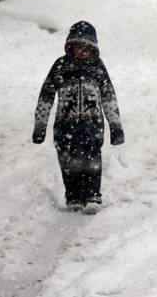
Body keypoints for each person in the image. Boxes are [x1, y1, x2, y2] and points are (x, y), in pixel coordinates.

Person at [33, 21, 124, 214]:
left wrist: (115, 125)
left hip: (92, 125)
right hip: (65, 126)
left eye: (86, 47)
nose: (82, 51)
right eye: (78, 46)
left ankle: (92, 196)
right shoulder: (61, 66)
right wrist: (40, 125)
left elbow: (108, 96)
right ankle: (73, 195)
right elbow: (46, 96)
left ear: (93, 48)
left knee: (92, 161)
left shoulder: (98, 67)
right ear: (70, 46)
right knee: (68, 161)